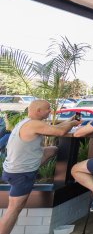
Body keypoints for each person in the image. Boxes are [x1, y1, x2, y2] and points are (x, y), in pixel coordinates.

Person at [0, 100, 80, 234]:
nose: (50, 111)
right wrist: (72, 123)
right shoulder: (34, 125)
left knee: (53, 149)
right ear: (38, 111)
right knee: (14, 209)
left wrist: (70, 120)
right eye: (48, 109)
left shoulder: (27, 122)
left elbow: (55, 128)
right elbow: (59, 132)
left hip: (13, 169)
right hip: (21, 173)